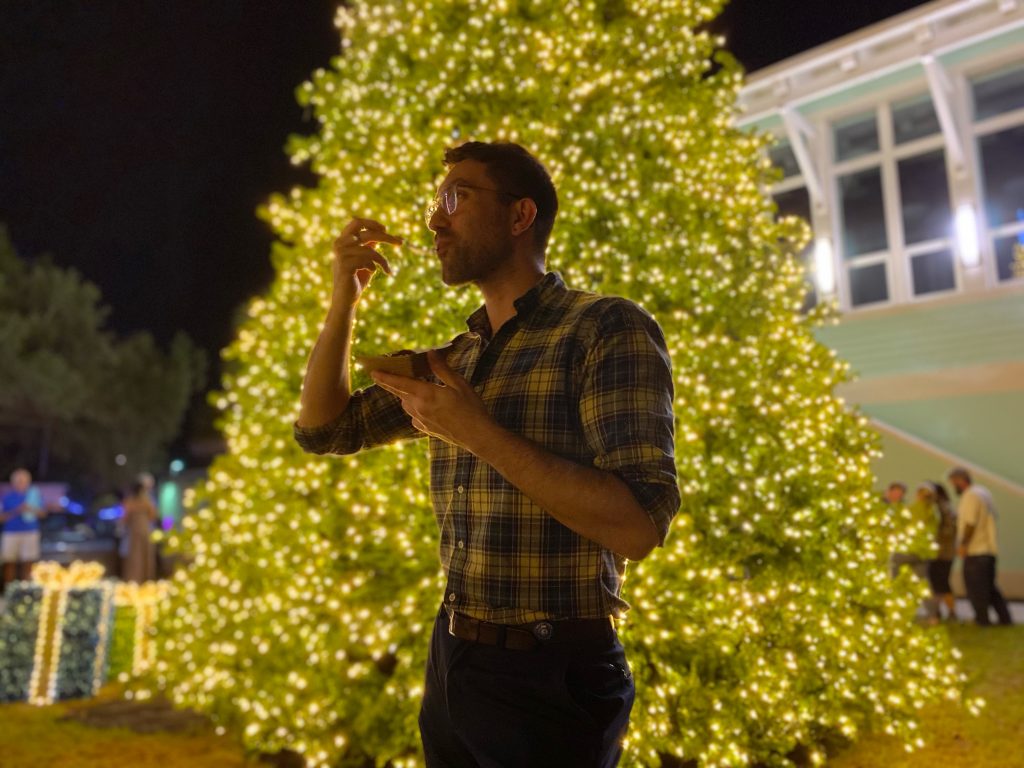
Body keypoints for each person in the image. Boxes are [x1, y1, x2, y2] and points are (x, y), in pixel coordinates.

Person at [294, 141, 679, 767]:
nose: (434, 220)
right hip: (453, 658)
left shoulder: (605, 328)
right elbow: (325, 430)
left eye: (457, 198)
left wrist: (478, 433)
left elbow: (639, 525)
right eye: (435, 202)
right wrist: (344, 300)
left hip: (553, 674)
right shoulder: (459, 358)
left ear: (520, 215)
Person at [948, 467, 1012, 627]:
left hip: (976, 550)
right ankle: (1005, 619)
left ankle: (982, 620)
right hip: (988, 550)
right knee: (990, 587)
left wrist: (963, 545)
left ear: (960, 481)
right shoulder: (983, 493)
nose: (953, 487)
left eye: (953, 483)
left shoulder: (971, 496)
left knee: (976, 589)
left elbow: (970, 522)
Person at [1, 468, 48, 583]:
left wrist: (30, 508)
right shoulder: (6, 497)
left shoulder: (34, 496)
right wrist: (17, 510)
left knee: (28, 563)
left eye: (23, 480)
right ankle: (9, 589)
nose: (21, 483)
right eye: (18, 480)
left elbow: (43, 514)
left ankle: (26, 589)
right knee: (9, 562)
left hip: (30, 532)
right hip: (11, 533)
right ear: (13, 482)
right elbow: (1, 518)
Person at [121, 480, 158, 583]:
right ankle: (146, 578)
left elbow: (124, 518)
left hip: (134, 532)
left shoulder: (129, 502)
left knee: (135, 557)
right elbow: (153, 516)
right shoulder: (148, 501)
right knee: (145, 556)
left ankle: (135, 579)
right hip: (145, 531)